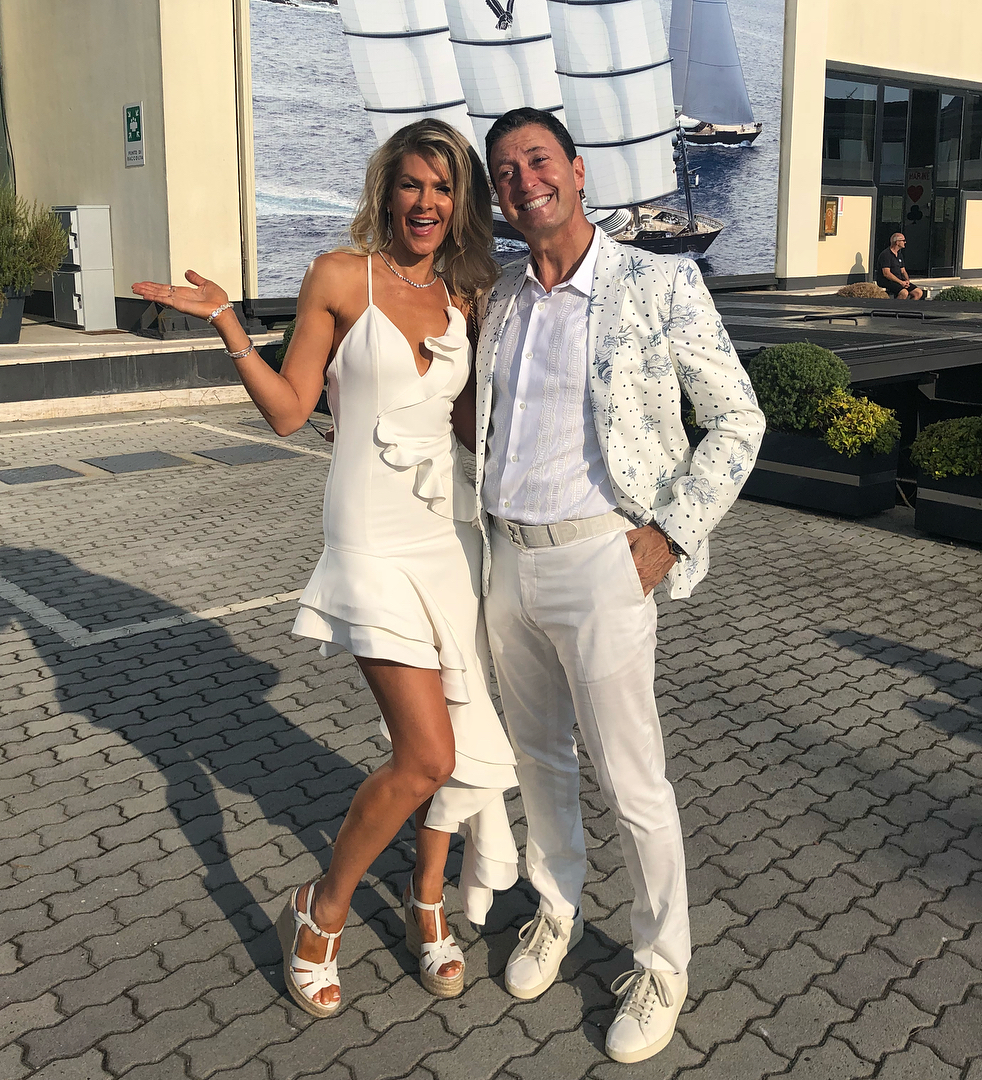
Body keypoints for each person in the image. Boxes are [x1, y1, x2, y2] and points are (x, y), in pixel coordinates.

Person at [133, 119, 518, 1018]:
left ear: (460, 203)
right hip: (369, 537)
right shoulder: (341, 277)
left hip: (448, 532)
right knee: (425, 755)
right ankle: (321, 908)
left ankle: (427, 904)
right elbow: (288, 411)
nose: (426, 202)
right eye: (412, 184)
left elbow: (472, 429)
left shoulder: (465, 294)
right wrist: (228, 322)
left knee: (459, 731)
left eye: (444, 188)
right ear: (388, 189)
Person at [468, 107, 766, 1064]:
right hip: (508, 559)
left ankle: (662, 961)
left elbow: (739, 419)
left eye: (538, 160)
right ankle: (555, 909)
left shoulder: (657, 282)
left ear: (578, 170)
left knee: (631, 778)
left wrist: (671, 534)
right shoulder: (503, 297)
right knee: (539, 761)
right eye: (505, 171)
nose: (524, 181)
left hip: (605, 560)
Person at [877, 234, 923, 299]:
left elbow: (903, 270)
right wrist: (901, 282)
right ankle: (897, 305)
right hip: (887, 281)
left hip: (899, 280)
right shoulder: (886, 255)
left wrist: (907, 281)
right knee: (904, 293)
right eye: (903, 240)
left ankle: (908, 305)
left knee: (918, 292)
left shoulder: (899, 254)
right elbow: (886, 273)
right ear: (897, 242)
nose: (905, 242)